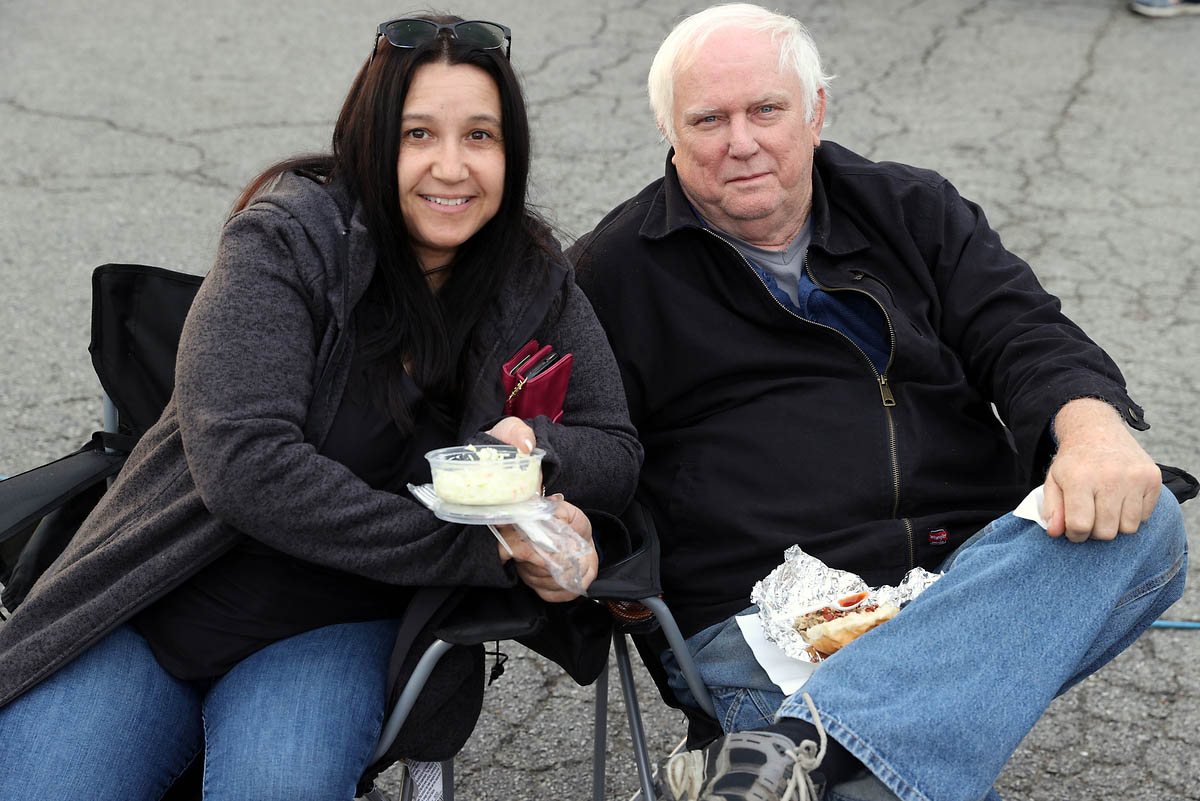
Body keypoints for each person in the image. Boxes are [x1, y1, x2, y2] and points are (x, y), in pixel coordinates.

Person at [0, 14, 641, 801]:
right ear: (373, 140)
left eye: (481, 136)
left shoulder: (529, 279)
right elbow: (246, 469)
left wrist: (539, 453)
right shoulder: (284, 244)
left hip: (334, 626)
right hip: (163, 597)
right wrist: (477, 550)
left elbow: (613, 443)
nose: (452, 166)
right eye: (418, 134)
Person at [568, 4, 1188, 801]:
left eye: (766, 109)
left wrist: (1091, 429)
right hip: (756, 614)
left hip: (959, 580)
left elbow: (1022, 329)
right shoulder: (614, 273)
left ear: (815, 110)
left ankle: (794, 746)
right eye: (709, 120)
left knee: (1147, 521)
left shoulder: (913, 210)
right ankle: (845, 748)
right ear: (670, 130)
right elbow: (584, 449)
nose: (742, 141)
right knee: (881, 787)